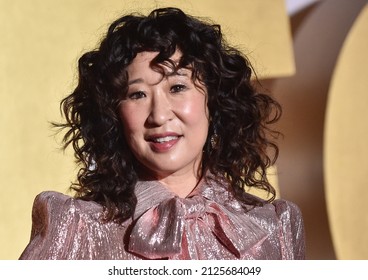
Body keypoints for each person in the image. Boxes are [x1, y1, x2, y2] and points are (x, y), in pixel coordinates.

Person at [19, 7, 305, 260]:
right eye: (138, 94)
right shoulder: (75, 227)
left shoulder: (276, 227)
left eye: (177, 87)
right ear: (113, 114)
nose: (158, 115)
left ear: (214, 100)